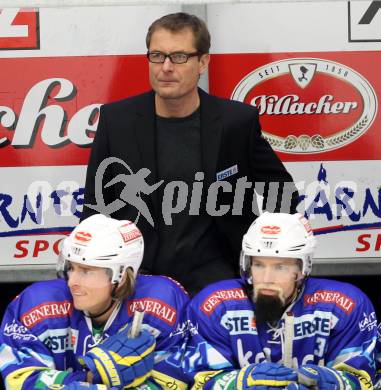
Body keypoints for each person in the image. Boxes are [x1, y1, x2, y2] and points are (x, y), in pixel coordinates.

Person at [81, 12, 298, 296]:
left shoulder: (236, 122)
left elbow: (282, 195)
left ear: (203, 63)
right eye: (157, 56)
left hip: (219, 282)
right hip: (138, 281)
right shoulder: (117, 121)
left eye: (179, 57)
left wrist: (267, 257)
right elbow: (96, 210)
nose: (166, 67)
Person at [182, 212, 377, 389]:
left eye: (280, 267)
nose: (267, 278)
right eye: (259, 265)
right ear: (247, 265)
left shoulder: (344, 305)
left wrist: (334, 382)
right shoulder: (215, 305)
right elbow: (198, 381)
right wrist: (240, 382)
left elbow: (364, 379)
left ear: (302, 269)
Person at [0, 214, 189, 389]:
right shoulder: (37, 304)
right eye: (71, 267)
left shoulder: (161, 304)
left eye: (86, 271)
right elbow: (19, 379)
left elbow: (175, 381)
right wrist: (92, 378)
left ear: (121, 276)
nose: (72, 281)